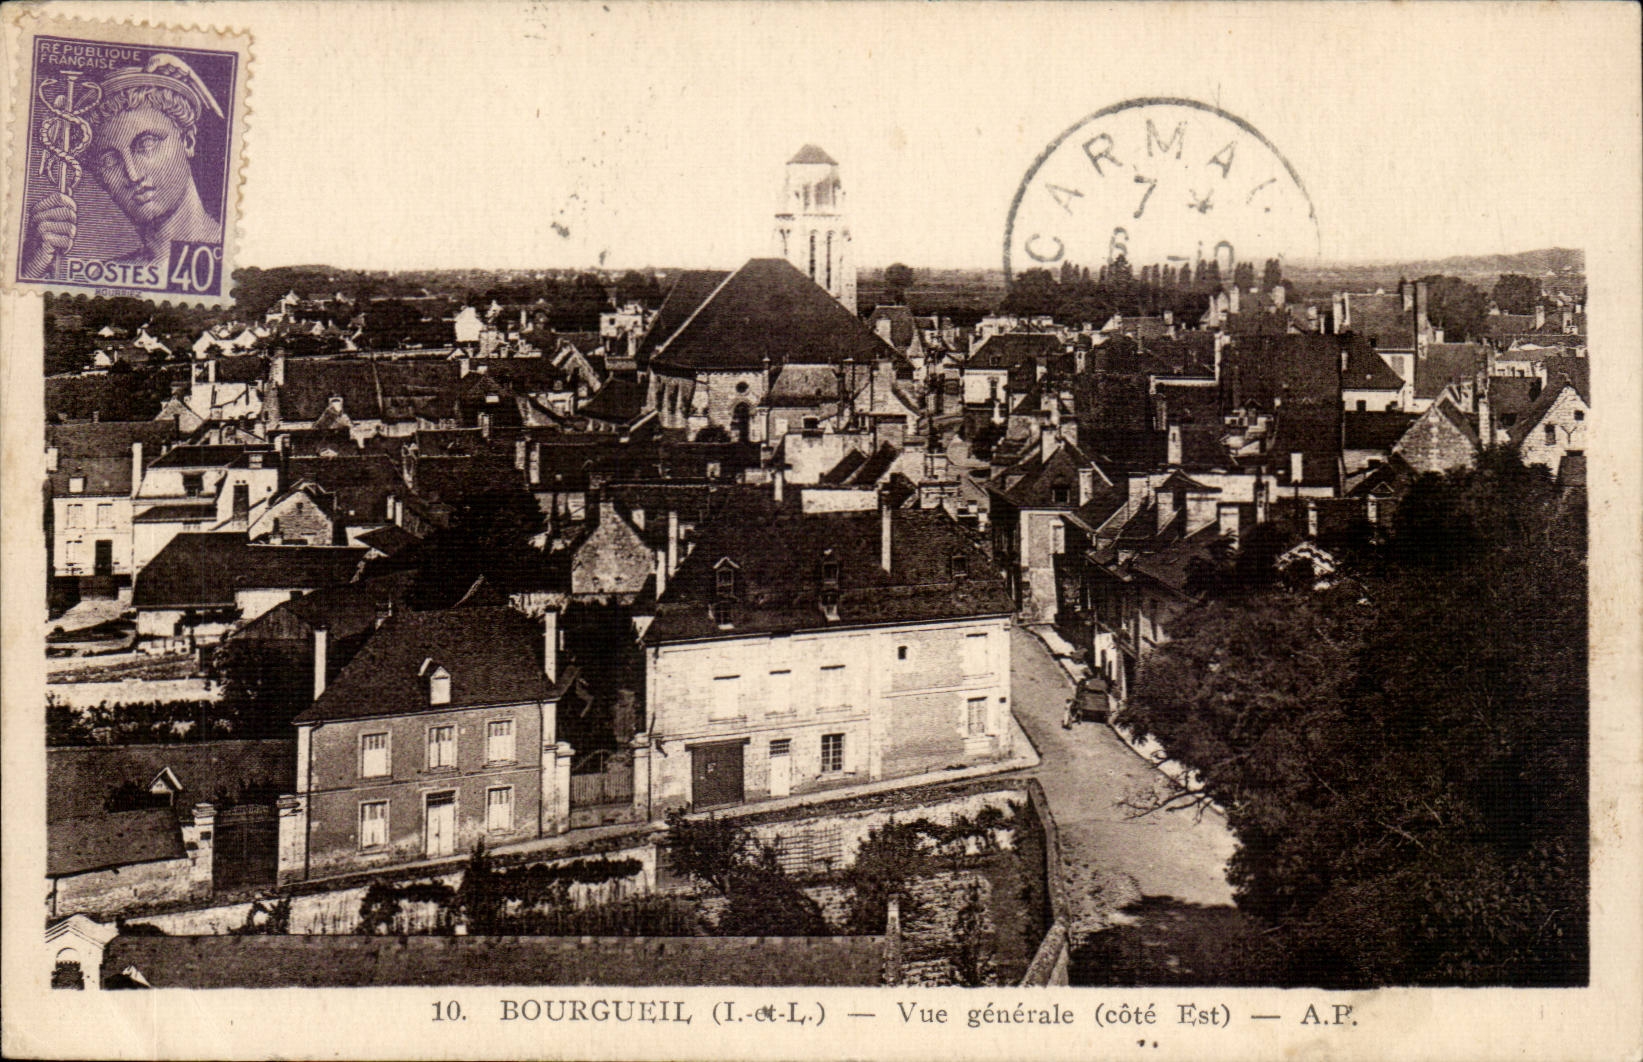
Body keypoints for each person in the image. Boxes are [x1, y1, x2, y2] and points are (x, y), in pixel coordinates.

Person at [22, 53, 224, 280]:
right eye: (109, 161)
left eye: (146, 144)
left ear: (187, 140)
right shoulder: (102, 275)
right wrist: (33, 267)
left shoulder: (236, 250)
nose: (132, 174)